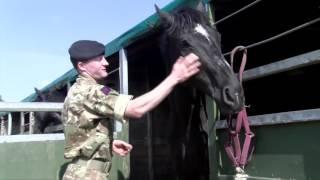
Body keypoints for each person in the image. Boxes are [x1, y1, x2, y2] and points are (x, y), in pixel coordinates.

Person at [62, 40, 201, 180]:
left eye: (103, 57)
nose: (106, 63)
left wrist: (108, 143)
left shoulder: (75, 91)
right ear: (82, 66)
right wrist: (175, 77)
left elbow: (80, 131)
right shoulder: (91, 91)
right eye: (99, 59)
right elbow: (135, 109)